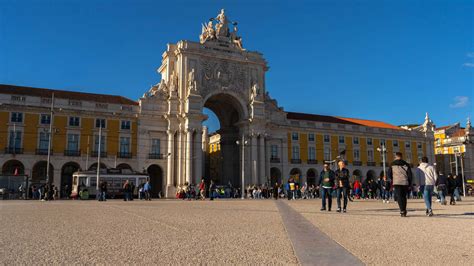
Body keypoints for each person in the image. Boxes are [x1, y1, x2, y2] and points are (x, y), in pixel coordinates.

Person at [387, 152, 413, 217]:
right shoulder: (406, 164)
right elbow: (410, 175)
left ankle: (402, 210)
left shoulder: (392, 164)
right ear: (401, 156)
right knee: (404, 197)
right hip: (405, 182)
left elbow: (389, 174)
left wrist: (393, 179)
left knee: (399, 197)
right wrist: (409, 183)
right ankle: (404, 210)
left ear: (396, 157)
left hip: (396, 182)